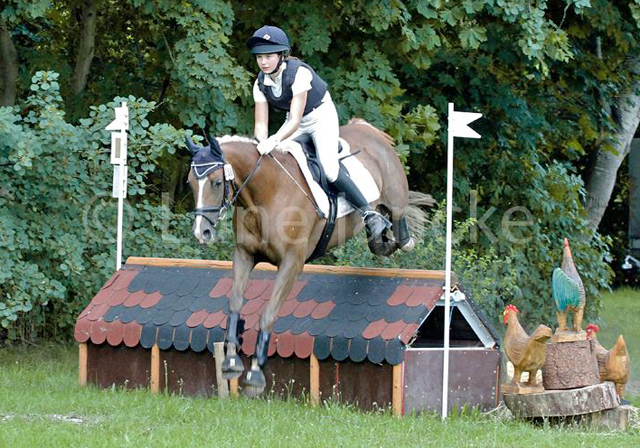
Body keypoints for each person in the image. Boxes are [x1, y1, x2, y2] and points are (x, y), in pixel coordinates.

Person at [247, 25, 388, 240]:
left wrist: (274, 139)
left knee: (330, 169)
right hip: (295, 121)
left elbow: (295, 120)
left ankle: (369, 214)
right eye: (259, 57)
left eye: (268, 56)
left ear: (281, 55)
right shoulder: (260, 83)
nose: (263, 62)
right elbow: (260, 125)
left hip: (319, 117)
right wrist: (260, 145)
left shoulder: (299, 73)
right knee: (275, 159)